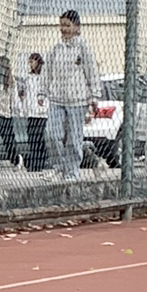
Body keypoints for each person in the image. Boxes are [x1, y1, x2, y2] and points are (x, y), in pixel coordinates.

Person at [45, 11, 101, 183]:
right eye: (61, 25)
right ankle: (59, 166)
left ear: (77, 27)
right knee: (52, 134)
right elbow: (47, 72)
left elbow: (92, 72)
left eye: (67, 25)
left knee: (74, 138)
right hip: (57, 99)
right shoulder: (56, 48)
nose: (63, 29)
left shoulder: (83, 48)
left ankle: (72, 172)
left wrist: (94, 96)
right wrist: (42, 91)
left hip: (77, 100)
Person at [17, 51, 48, 172]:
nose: (30, 64)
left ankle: (38, 162)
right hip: (31, 111)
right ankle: (36, 161)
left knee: (38, 137)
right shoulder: (28, 77)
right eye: (29, 62)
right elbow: (25, 93)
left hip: (41, 113)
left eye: (32, 62)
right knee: (31, 136)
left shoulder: (43, 77)